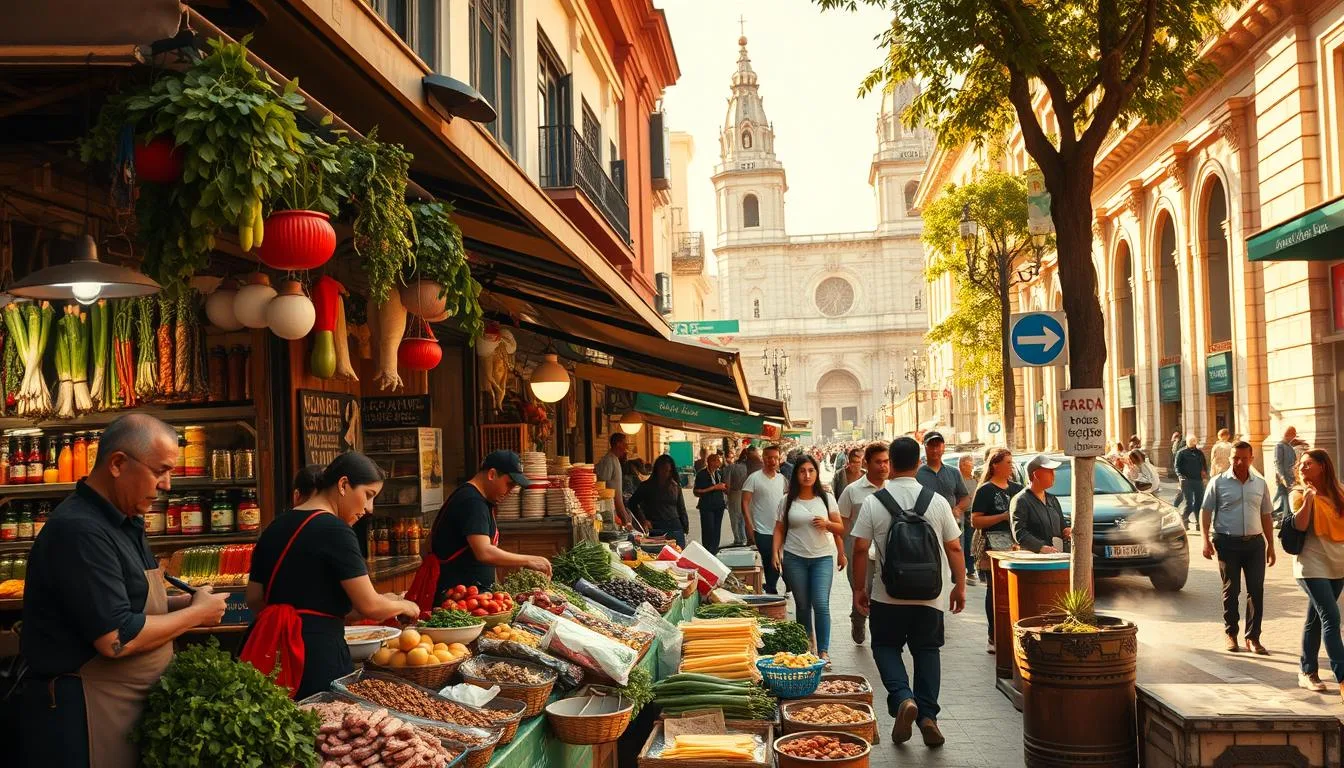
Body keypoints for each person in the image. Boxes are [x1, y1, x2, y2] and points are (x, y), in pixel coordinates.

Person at [20, 414, 230, 768]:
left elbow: (130, 602)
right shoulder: (80, 531)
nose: (167, 485)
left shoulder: (125, 519)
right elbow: (116, 637)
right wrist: (196, 614)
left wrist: (184, 601)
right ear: (118, 463)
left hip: (124, 709)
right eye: (160, 471)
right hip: (87, 716)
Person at [240, 453, 421, 699]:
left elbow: (254, 598)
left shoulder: (276, 525)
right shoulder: (336, 530)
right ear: (343, 485)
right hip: (317, 656)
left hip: (274, 650)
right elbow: (370, 606)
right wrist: (404, 604)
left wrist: (295, 618)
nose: (369, 508)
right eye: (368, 495)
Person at [851, 437, 965, 748]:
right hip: (931, 596)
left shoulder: (875, 501)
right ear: (918, 463)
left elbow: (860, 549)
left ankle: (903, 698)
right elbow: (954, 546)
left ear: (891, 465)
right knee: (927, 651)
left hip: (888, 595)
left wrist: (859, 589)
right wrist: (960, 584)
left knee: (886, 647)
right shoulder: (938, 501)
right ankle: (928, 716)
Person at [406, 451, 552, 612]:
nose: (510, 491)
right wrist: (528, 560)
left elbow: (426, 546)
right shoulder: (472, 502)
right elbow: (484, 552)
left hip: (469, 600)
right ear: (492, 474)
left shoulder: (472, 497)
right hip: (458, 604)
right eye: (509, 484)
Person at [1201, 440, 1276, 654]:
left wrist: (1271, 545)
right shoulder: (1218, 482)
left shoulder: (1260, 483)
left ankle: (1253, 637)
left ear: (1251, 458)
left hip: (1254, 545)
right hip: (1227, 543)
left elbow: (1266, 514)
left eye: (1244, 458)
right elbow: (1205, 511)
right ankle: (1231, 633)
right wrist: (1205, 540)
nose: (1239, 462)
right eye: (1235, 457)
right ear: (1230, 458)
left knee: (1256, 590)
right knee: (1231, 590)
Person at [772, 455, 845, 665]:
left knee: (821, 603)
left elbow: (841, 529)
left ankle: (823, 651)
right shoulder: (786, 501)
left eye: (811, 470)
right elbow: (779, 528)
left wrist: (829, 527)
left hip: (822, 558)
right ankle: (807, 648)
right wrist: (776, 552)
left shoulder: (826, 498)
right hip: (795, 559)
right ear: (796, 474)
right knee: (803, 605)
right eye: (802, 471)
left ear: (817, 472)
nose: (807, 475)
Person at [1287, 449, 1344, 697]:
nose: (1302, 467)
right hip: (1311, 565)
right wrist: (1309, 499)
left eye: (1308, 464)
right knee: (1331, 618)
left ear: (1323, 466)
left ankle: (1307, 670)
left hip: (1338, 564)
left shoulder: (1340, 492)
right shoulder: (1298, 494)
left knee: (1316, 618)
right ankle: (1343, 678)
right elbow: (1299, 525)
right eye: (1301, 464)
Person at [971, 448, 1022, 654]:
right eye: (1007, 462)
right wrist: (1001, 517)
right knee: (995, 591)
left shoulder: (1018, 488)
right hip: (992, 546)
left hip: (1016, 546)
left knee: (1015, 590)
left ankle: (1012, 632)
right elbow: (975, 521)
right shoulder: (985, 490)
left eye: (1012, 462)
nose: (1011, 466)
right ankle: (993, 634)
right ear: (995, 465)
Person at [837, 443, 889, 645]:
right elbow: (842, 523)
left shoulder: (893, 488)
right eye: (878, 462)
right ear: (867, 463)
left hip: (886, 553)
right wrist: (842, 551)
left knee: (882, 592)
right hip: (859, 553)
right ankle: (858, 619)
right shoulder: (852, 491)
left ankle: (879, 631)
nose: (883, 466)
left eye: (886, 462)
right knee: (861, 589)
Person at [916, 432, 972, 583]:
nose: (935, 450)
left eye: (938, 446)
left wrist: (958, 509)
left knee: (953, 567)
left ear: (943, 448)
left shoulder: (953, 472)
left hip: (952, 528)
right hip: (926, 529)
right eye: (931, 446)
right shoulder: (917, 474)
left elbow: (965, 497)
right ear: (925, 448)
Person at [743, 445, 788, 594]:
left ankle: (778, 585)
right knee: (769, 559)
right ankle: (771, 589)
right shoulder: (754, 478)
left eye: (776, 457)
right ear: (763, 458)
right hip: (761, 529)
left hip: (780, 529)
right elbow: (745, 502)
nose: (772, 461)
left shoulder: (782, 480)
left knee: (782, 560)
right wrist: (749, 525)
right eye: (769, 457)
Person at [1011, 454, 1070, 553]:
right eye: (1049, 471)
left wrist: (1067, 531)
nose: (1053, 475)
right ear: (1036, 475)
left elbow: (1062, 525)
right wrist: (1040, 547)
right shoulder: (1021, 500)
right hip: (1035, 559)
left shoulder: (1052, 499)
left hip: (1057, 555)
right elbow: (1020, 533)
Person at [628, 454, 690, 548]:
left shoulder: (675, 486)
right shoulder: (646, 486)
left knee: (677, 556)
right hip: (656, 528)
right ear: (657, 470)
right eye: (663, 470)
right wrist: (643, 520)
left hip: (675, 527)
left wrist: (685, 528)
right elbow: (632, 503)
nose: (666, 474)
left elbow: (681, 509)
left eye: (669, 471)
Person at [693, 453, 729, 554]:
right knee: (708, 528)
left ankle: (714, 550)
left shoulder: (719, 473)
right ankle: (707, 550)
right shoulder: (702, 474)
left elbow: (723, 488)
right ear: (711, 462)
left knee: (717, 529)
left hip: (719, 505)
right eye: (717, 460)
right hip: (706, 506)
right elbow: (696, 491)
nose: (719, 462)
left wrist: (726, 489)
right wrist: (714, 487)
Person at [1175, 435, 1210, 530]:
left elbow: (1204, 465)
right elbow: (1177, 467)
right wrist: (1181, 476)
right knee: (1189, 503)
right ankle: (1184, 520)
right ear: (1187, 442)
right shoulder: (1181, 452)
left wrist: (1205, 474)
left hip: (1198, 480)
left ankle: (1199, 524)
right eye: (1191, 442)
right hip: (1186, 480)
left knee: (1199, 502)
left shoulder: (1199, 453)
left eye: (1194, 442)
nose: (1193, 444)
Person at [726, 446, 758, 548]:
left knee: (735, 518)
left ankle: (738, 539)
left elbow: (727, 484)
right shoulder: (753, 467)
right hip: (749, 495)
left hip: (735, 494)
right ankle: (745, 538)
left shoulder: (732, 467)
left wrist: (726, 493)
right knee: (745, 517)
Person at [595, 433, 630, 526]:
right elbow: (603, 484)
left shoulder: (615, 459)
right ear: (618, 444)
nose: (626, 446)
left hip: (616, 506)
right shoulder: (608, 460)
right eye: (624, 443)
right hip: (608, 507)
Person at [956, 454, 977, 580]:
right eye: (969, 463)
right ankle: (959, 569)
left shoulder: (975, 479)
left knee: (970, 542)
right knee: (960, 541)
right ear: (962, 465)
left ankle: (970, 569)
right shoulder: (958, 479)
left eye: (971, 463)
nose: (972, 466)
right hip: (960, 513)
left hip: (972, 514)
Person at [1276, 426, 1300, 523]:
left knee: (1288, 500)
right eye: (1292, 436)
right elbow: (1277, 462)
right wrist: (1282, 477)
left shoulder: (1289, 446)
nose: (1293, 438)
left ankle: (1286, 520)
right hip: (1284, 478)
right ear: (1289, 435)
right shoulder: (1279, 446)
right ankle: (1283, 521)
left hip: (1291, 478)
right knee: (1284, 500)